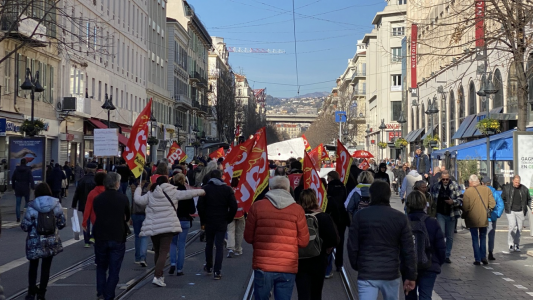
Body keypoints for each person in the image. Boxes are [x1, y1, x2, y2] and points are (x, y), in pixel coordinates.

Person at [347, 181, 417, 300]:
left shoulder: (360, 216)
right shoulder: (400, 218)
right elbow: (409, 250)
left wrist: (357, 265)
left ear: (371, 195)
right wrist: (411, 275)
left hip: (367, 271)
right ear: (388, 195)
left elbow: (352, 245)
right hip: (391, 272)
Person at [244, 176, 309, 300]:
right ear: (289, 189)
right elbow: (303, 241)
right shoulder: (298, 210)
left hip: (263, 265)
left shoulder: (257, 207)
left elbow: (248, 237)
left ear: (269, 188)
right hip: (287, 266)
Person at [135, 175, 205, 286]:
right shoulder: (173, 192)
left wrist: (139, 188)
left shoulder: (151, 194)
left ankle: (159, 275)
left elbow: (138, 200)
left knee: (158, 251)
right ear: (167, 182)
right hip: (167, 227)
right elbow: (188, 194)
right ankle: (158, 276)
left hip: (154, 227)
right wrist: (202, 191)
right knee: (163, 251)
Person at [21, 183, 66, 300]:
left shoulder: (32, 206)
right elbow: (61, 224)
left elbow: (25, 226)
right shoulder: (56, 205)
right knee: (46, 268)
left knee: (33, 266)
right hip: (50, 241)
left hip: (35, 241)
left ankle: (31, 292)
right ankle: (42, 293)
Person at [295, 189, 339, 300]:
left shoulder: (296, 217)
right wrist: (327, 248)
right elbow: (334, 239)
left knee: (303, 293)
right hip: (318, 260)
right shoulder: (324, 217)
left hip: (300, 260)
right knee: (316, 293)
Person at [92, 173, 130, 299]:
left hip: (101, 235)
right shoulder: (123, 198)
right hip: (117, 235)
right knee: (114, 269)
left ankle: (101, 292)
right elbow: (127, 216)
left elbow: (97, 213)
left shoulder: (98, 199)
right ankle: (108, 294)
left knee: (101, 267)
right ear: (117, 183)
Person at [403, 191, 445, 300]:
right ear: (424, 204)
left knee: (409, 295)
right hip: (429, 264)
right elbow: (441, 247)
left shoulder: (403, 222)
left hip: (408, 266)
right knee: (425, 295)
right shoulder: (432, 222)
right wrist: (438, 262)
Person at [197, 170, 238, 279]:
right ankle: (217, 271)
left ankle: (209, 266)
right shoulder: (227, 189)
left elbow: (200, 206)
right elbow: (234, 206)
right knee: (219, 245)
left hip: (209, 220)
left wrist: (203, 220)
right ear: (221, 177)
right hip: (222, 220)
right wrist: (228, 218)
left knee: (209, 244)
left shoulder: (205, 189)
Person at [462, 175, 496, 265]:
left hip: (472, 219)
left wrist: (464, 216)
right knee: (483, 237)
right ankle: (483, 257)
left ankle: (477, 259)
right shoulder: (486, 189)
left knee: (475, 238)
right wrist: (488, 210)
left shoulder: (468, 192)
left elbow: (465, 207)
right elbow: (492, 203)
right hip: (483, 218)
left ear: (471, 182)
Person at [430, 170, 462, 263]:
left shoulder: (455, 186)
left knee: (450, 236)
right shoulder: (436, 186)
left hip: (451, 213)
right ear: (441, 178)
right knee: (441, 233)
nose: (445, 181)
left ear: (449, 178)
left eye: (447, 179)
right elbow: (432, 198)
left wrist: (453, 202)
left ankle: (447, 255)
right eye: (443, 179)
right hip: (440, 213)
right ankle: (441, 253)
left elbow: (460, 199)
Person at [169, 173, 196, 275]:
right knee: (181, 245)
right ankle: (179, 269)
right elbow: (192, 210)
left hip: (173, 220)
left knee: (172, 243)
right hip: (185, 220)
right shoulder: (187, 193)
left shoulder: (171, 193)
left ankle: (172, 263)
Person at [325, 171, 349, 276]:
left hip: (331, 216)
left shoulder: (328, 187)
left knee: (329, 240)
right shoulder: (343, 186)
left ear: (330, 178)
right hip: (342, 216)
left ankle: (327, 266)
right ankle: (339, 264)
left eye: (328, 178)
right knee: (341, 240)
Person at [501, 175, 531, 252]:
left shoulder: (524, 189)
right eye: (516, 182)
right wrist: (505, 205)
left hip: (520, 211)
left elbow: (529, 200)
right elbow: (502, 198)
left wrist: (531, 208)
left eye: (518, 182)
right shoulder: (507, 188)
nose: (517, 184)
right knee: (513, 225)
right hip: (511, 210)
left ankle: (516, 244)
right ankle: (511, 244)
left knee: (520, 228)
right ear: (513, 181)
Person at [72, 163, 97, 248]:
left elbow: (77, 193)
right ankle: (93, 237)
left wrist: (74, 204)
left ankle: (86, 241)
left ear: (86, 169)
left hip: (84, 204)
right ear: (95, 169)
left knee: (86, 222)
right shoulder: (96, 180)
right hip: (95, 205)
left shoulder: (81, 180)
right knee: (95, 221)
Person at [128, 171, 150, 267]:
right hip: (146, 214)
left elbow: (128, 202)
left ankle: (137, 257)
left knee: (137, 236)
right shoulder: (150, 187)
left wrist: (128, 216)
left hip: (135, 214)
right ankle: (143, 257)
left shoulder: (132, 187)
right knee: (145, 236)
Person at [482, 177, 504, 260]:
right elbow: (501, 204)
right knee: (491, 236)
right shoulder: (495, 192)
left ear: (483, 183)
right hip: (492, 217)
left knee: (483, 235)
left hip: (482, 217)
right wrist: (497, 214)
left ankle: (482, 253)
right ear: (490, 183)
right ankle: (490, 252)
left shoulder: (481, 191)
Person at [82, 172, 107, 243]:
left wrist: (84, 222)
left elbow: (87, 209)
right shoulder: (109, 192)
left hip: (95, 220)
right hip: (108, 221)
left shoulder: (92, 193)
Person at [11, 158, 35, 222]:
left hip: (18, 187)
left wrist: (13, 186)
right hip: (26, 187)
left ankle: (18, 218)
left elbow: (13, 178)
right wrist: (33, 187)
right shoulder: (28, 170)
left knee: (18, 204)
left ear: (21, 162)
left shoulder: (16, 170)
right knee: (27, 202)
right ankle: (25, 216)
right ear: (26, 163)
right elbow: (31, 179)